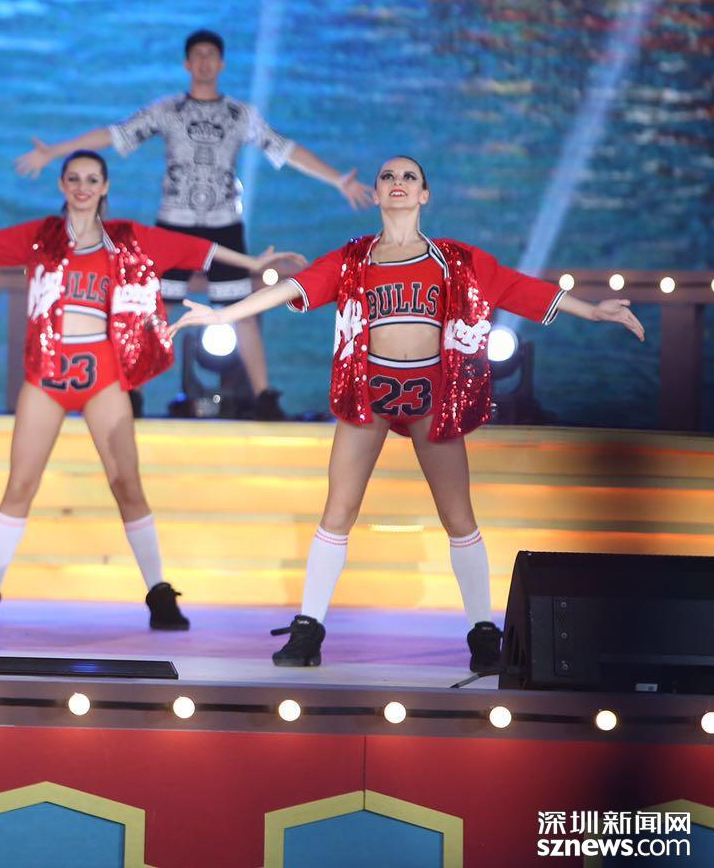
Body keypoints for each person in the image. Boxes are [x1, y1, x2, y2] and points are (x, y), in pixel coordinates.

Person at [171, 156, 644, 672]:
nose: (397, 183)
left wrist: (592, 310)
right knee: (338, 509)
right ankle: (308, 629)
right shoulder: (354, 259)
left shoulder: (455, 260)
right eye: (387, 177)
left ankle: (483, 634)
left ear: (424, 195)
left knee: (458, 516)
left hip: (432, 392)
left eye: (409, 177)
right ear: (375, 194)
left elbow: (517, 288)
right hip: (369, 391)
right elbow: (291, 287)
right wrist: (222, 313)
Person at [0, 150, 303, 628]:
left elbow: (196, 251)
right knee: (20, 484)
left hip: (103, 376)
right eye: (74, 179)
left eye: (92, 179)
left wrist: (253, 262)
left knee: (127, 484)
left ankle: (159, 593)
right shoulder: (42, 236)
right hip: (47, 374)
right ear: (62, 185)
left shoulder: (128, 238)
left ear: (105, 187)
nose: (83, 187)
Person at [16, 29, 375, 420]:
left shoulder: (240, 115)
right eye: (197, 56)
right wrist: (55, 151)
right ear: (187, 64)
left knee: (240, 310)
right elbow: (115, 134)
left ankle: (264, 396)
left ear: (221, 64)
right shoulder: (167, 110)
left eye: (211, 55)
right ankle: (129, 391)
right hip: (174, 224)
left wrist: (339, 180)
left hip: (225, 224)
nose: (204, 62)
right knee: (152, 308)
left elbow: (285, 149)